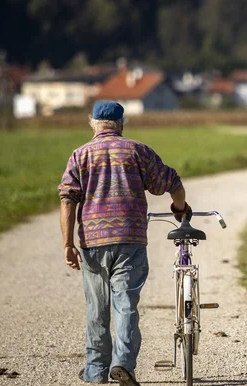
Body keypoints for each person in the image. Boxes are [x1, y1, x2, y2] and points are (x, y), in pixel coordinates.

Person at [59, 101, 191, 385]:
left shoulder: (80, 155)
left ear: (93, 123)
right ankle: (123, 365)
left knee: (97, 309)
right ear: (121, 123)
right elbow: (171, 182)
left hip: (92, 243)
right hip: (130, 240)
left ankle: (95, 372)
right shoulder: (137, 151)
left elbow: (68, 200)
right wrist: (179, 208)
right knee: (126, 305)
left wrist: (67, 243)